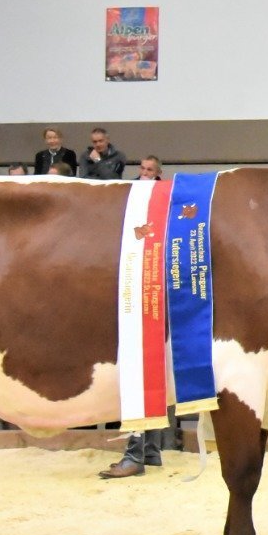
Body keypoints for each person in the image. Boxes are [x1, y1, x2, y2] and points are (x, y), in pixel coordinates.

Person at [101, 158, 176, 479]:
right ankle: (151, 450)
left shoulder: (159, 216)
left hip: (149, 303)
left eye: (149, 171)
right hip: (152, 301)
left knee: (141, 375)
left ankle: (135, 454)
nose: (144, 175)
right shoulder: (145, 217)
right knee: (152, 375)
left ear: (158, 175)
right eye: (141, 170)